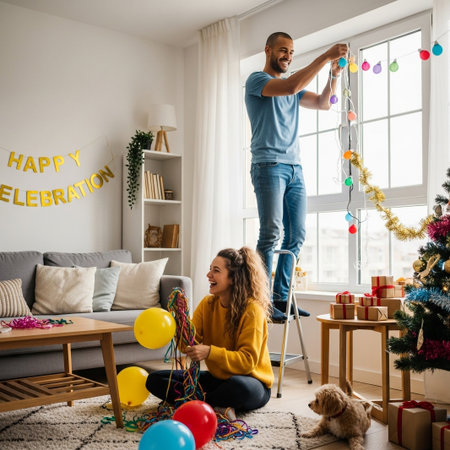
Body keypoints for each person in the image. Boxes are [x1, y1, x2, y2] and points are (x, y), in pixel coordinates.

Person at [245, 32, 348, 321]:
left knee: (297, 235)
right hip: (268, 166)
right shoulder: (258, 81)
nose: (288, 56)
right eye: (282, 50)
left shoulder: (292, 90)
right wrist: (325, 55)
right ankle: (263, 300)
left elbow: (324, 103)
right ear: (267, 50)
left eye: (291, 52)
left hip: (295, 169)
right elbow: (290, 86)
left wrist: (333, 73)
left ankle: (282, 297)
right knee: (270, 234)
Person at [146, 246, 274, 416]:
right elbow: (188, 346)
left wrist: (209, 352)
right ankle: (212, 405)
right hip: (218, 379)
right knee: (155, 379)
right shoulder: (208, 304)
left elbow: (247, 361)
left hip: (252, 381)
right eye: (210, 269)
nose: (209, 275)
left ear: (233, 278)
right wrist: (180, 324)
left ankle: (192, 403)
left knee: (238, 388)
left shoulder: (252, 310)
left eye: (216, 270)